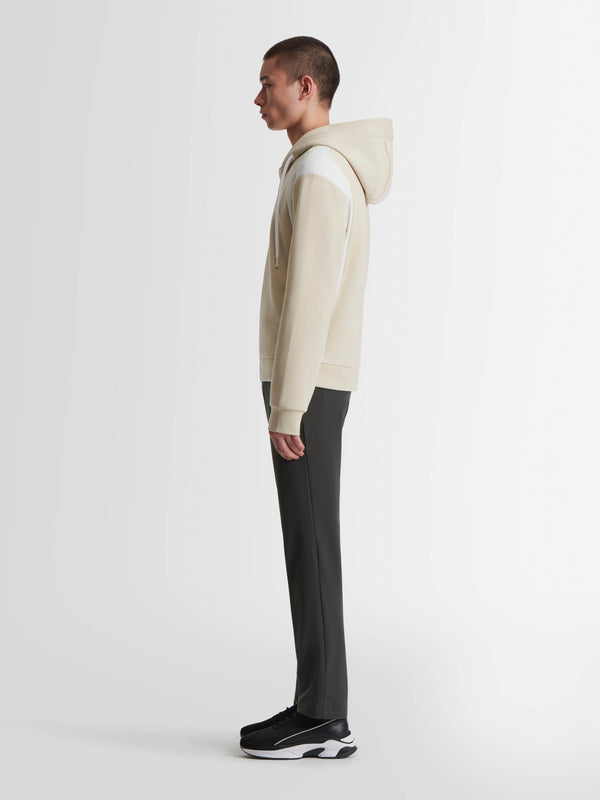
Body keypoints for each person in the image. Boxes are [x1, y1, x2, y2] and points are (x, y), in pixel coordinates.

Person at [239, 35, 393, 760]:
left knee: (312, 544)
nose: (258, 97)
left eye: (268, 83)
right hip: (312, 383)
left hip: (309, 388)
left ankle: (326, 715)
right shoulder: (317, 166)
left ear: (306, 87)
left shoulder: (320, 171)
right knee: (309, 542)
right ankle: (315, 705)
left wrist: (288, 407)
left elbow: (309, 297)